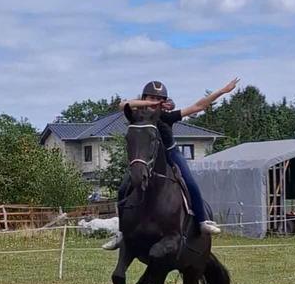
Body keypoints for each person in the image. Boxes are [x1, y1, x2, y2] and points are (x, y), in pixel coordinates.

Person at [102, 77, 239, 250]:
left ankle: (202, 220)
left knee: (190, 182)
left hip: (171, 154)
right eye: (151, 97)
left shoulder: (167, 116)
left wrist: (222, 91)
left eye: (158, 99)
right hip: (147, 160)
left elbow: (198, 106)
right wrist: (147, 104)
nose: (154, 101)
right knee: (123, 188)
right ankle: (122, 233)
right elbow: (123, 105)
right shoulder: (137, 116)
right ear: (144, 98)